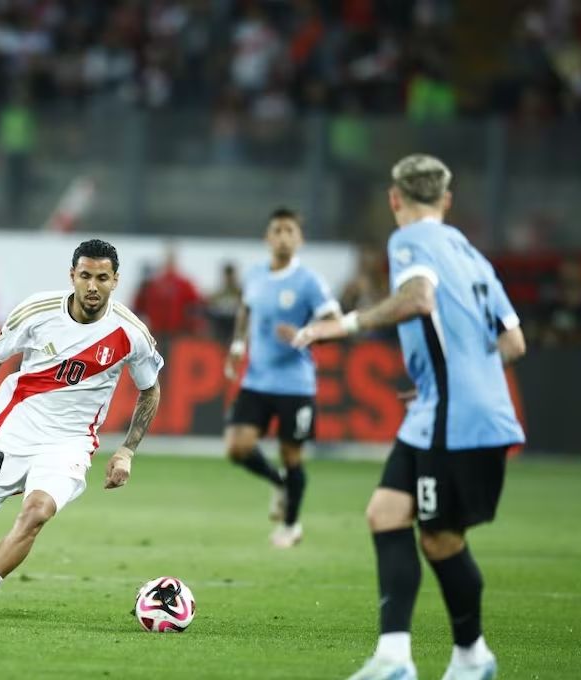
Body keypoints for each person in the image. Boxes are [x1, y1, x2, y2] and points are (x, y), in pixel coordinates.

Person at [292, 155, 527, 680]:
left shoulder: (410, 241)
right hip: (442, 409)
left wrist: (345, 324)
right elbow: (513, 342)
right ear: (447, 199)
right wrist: (451, 375)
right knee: (386, 513)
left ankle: (472, 657)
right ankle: (394, 658)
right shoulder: (471, 254)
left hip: (456, 418)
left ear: (395, 199)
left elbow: (418, 298)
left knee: (440, 538)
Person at [0, 238, 163, 626]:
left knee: (36, 513)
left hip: (70, 442)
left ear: (116, 281)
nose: (93, 286)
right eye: (85, 276)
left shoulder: (130, 332)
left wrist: (127, 451)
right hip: (15, 429)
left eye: (102, 278)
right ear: (72, 276)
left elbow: (150, 389)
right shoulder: (37, 312)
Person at [223, 207, 340, 549]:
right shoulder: (255, 276)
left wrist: (306, 334)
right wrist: (238, 344)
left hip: (295, 385)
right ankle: (279, 483)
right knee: (237, 447)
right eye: (278, 230)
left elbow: (336, 322)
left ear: (299, 239)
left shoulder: (309, 282)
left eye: (291, 231)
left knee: (292, 457)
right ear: (267, 237)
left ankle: (291, 526)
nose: (284, 236)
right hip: (257, 380)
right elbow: (245, 308)